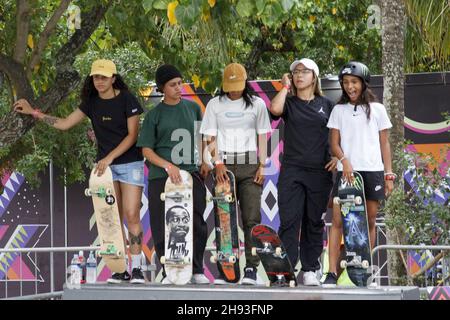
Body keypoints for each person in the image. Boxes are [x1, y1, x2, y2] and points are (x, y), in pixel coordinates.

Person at [13, 59, 147, 284]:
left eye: (104, 77)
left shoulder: (127, 99)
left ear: (114, 78)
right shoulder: (91, 103)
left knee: (132, 214)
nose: (100, 81)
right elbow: (64, 123)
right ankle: (120, 269)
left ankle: (138, 269)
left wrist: (110, 157)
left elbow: (133, 135)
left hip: (129, 163)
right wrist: (33, 112)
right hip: (106, 169)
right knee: (113, 220)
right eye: (96, 77)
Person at [322, 61, 395, 287]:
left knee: (369, 221)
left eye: (354, 82)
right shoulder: (338, 110)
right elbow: (334, 144)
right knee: (338, 222)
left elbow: (385, 144)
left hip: (372, 172)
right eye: (345, 83)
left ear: (363, 83)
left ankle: (366, 272)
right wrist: (345, 161)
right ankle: (331, 273)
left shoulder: (378, 109)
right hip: (347, 173)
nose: (349, 87)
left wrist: (388, 174)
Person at [137, 64, 210, 285]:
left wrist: (205, 159)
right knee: (162, 224)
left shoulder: (194, 108)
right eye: (173, 84)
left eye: (180, 83)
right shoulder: (153, 115)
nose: (179, 88)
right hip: (161, 177)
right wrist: (168, 166)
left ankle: (197, 270)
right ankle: (169, 272)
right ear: (162, 88)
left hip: (191, 174)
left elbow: (202, 137)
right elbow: (146, 150)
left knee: (196, 222)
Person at [200, 62, 272, 285]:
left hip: (250, 163)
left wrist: (263, 165)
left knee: (252, 218)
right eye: (230, 86)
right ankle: (227, 270)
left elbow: (263, 136)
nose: (234, 90)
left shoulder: (257, 104)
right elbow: (209, 137)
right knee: (225, 218)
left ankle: (251, 269)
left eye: (238, 85)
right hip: (225, 165)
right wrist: (217, 163)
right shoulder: (215, 104)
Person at [270, 58, 337, 286]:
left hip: (319, 173)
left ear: (314, 76)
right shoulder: (288, 103)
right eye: (295, 72)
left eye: (304, 71)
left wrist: (338, 157)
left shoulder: (327, 105)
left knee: (314, 222)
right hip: (292, 170)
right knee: (289, 220)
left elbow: (338, 136)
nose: (299, 75)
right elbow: (274, 109)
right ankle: (285, 268)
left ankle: (310, 269)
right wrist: (285, 86)